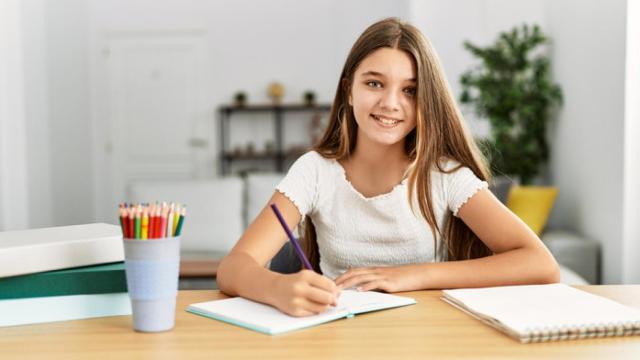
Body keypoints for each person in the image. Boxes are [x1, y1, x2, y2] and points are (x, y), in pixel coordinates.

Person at [217, 17, 560, 317]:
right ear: (349, 90)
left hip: (424, 336)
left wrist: (414, 275)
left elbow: (540, 263)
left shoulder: (444, 175)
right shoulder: (314, 171)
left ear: (427, 100)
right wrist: (277, 288)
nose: (390, 103)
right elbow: (234, 267)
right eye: (374, 83)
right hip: (337, 332)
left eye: (410, 90)